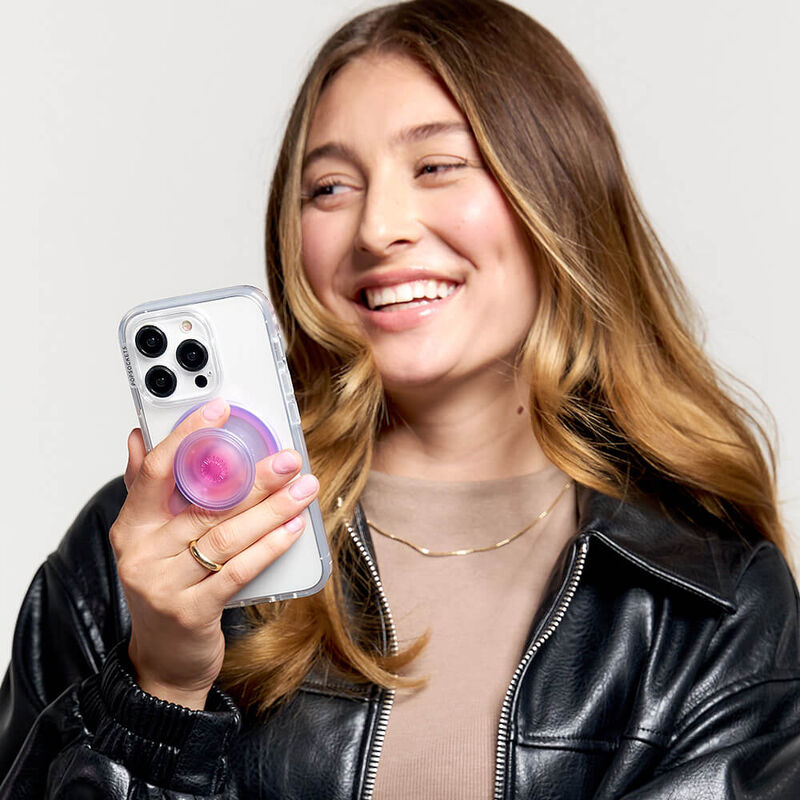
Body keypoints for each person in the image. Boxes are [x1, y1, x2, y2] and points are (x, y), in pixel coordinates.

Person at [1, 0, 799, 797]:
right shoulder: (140, 558)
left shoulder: (710, 595)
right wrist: (160, 687)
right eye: (330, 187)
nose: (379, 228)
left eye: (438, 166)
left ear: (557, 196)